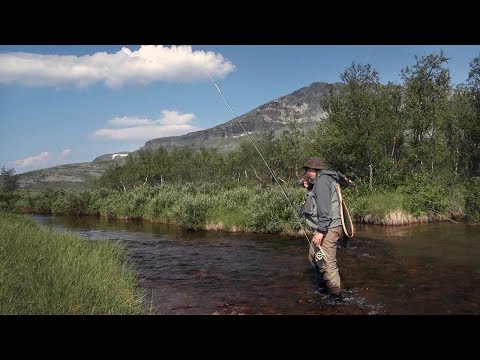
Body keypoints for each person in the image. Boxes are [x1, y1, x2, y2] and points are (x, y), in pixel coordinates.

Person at [299, 157, 344, 302]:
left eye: (307, 170)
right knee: (314, 257)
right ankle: (323, 288)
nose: (306, 172)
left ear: (314, 169)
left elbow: (325, 210)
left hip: (327, 229)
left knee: (327, 264)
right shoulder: (323, 181)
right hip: (328, 228)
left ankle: (336, 297)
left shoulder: (322, 182)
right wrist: (310, 188)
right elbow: (323, 198)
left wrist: (320, 231)